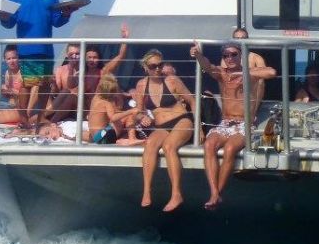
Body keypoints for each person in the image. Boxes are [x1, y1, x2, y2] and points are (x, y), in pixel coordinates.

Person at [191, 42, 277, 210]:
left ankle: (217, 193)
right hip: (225, 123)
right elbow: (207, 66)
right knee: (209, 145)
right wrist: (198, 55)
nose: (229, 58)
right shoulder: (222, 74)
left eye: (233, 54)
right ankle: (214, 192)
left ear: (241, 56)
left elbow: (271, 72)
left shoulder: (250, 74)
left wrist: (243, 72)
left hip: (244, 124)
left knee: (230, 149)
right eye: (226, 55)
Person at [0, 0, 76, 127]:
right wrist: (3, 17)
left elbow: (57, 22)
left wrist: (67, 14)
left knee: (45, 84)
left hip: (46, 49)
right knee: (26, 84)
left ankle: (40, 117)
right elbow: (10, 23)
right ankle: (23, 119)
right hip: (26, 49)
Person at [135, 49, 196, 212]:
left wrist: (199, 128)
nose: (157, 69)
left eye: (160, 65)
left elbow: (192, 101)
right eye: (153, 66)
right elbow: (138, 112)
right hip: (161, 126)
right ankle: (147, 191)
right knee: (150, 144)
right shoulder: (141, 85)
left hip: (182, 120)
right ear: (145, 67)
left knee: (169, 146)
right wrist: (142, 117)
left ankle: (176, 194)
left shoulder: (172, 80)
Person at [45, 24, 129, 122]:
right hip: (84, 109)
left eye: (95, 57)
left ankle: (50, 120)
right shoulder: (82, 73)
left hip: (97, 109)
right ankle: (51, 121)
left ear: (99, 59)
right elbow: (70, 86)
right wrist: (71, 67)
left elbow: (120, 56)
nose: (92, 60)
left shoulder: (104, 71)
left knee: (71, 97)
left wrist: (125, 40)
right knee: (70, 96)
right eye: (89, 57)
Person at [87, 74, 139, 144]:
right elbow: (113, 118)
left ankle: (121, 140)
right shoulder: (106, 102)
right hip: (103, 137)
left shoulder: (96, 97)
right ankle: (132, 139)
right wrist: (130, 111)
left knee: (120, 123)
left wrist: (125, 95)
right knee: (128, 116)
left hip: (95, 137)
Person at [229, 27, 268, 122]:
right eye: (237, 39)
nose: (240, 41)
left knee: (259, 81)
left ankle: (252, 114)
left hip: (251, 100)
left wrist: (253, 111)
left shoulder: (256, 58)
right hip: (233, 101)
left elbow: (261, 81)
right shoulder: (227, 59)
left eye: (243, 38)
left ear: (248, 40)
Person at [0, 45, 26, 125]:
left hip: (22, 109)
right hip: (11, 106)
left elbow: (28, 95)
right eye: (9, 59)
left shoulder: (24, 73)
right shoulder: (8, 73)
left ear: (19, 58)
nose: (11, 61)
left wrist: (12, 91)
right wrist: (5, 92)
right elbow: (10, 96)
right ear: (5, 60)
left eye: (14, 58)